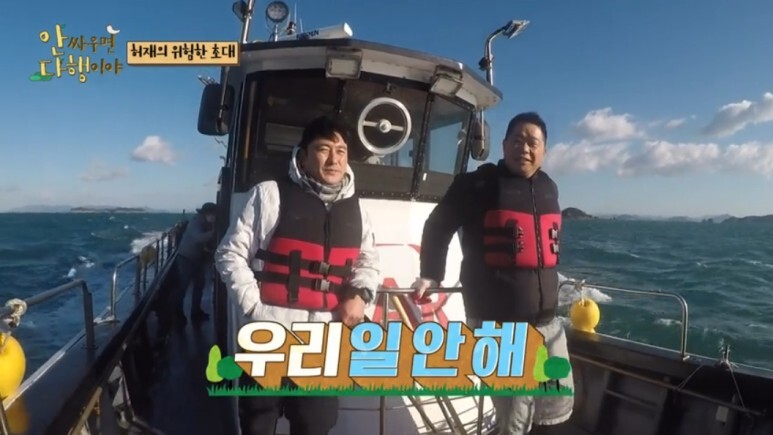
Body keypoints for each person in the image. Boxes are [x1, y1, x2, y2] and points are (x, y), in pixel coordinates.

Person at [214, 115, 380, 435]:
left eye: (341, 151)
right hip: (268, 335)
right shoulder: (269, 194)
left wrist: (360, 295)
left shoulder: (359, 210)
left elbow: (368, 262)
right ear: (303, 156)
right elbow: (230, 254)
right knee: (257, 424)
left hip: (324, 344)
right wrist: (255, 308)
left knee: (316, 424)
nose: (334, 160)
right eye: (323, 149)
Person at [411, 112, 573, 434]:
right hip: (499, 327)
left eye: (532, 142)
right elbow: (438, 225)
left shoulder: (549, 187)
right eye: (517, 140)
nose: (524, 148)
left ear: (544, 150)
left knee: (556, 408)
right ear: (503, 145)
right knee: (514, 420)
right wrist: (431, 274)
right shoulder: (477, 185)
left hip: (547, 324)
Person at [173, 202, 216, 325]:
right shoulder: (196, 222)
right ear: (207, 214)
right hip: (186, 258)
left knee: (199, 286)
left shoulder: (206, 223)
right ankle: (178, 315)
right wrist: (214, 232)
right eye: (213, 215)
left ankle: (196, 312)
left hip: (197, 258)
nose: (214, 217)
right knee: (183, 287)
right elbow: (199, 237)